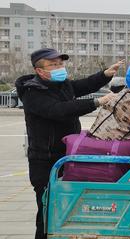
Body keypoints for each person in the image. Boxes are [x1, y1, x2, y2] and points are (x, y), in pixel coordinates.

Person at [15, 48, 123, 239]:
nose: (59, 67)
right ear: (40, 70)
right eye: (53, 64)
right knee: (48, 213)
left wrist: (105, 74)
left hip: (67, 156)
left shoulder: (61, 84)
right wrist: (97, 102)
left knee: (68, 212)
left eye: (60, 63)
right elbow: (58, 110)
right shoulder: (33, 92)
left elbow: (82, 86)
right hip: (45, 161)